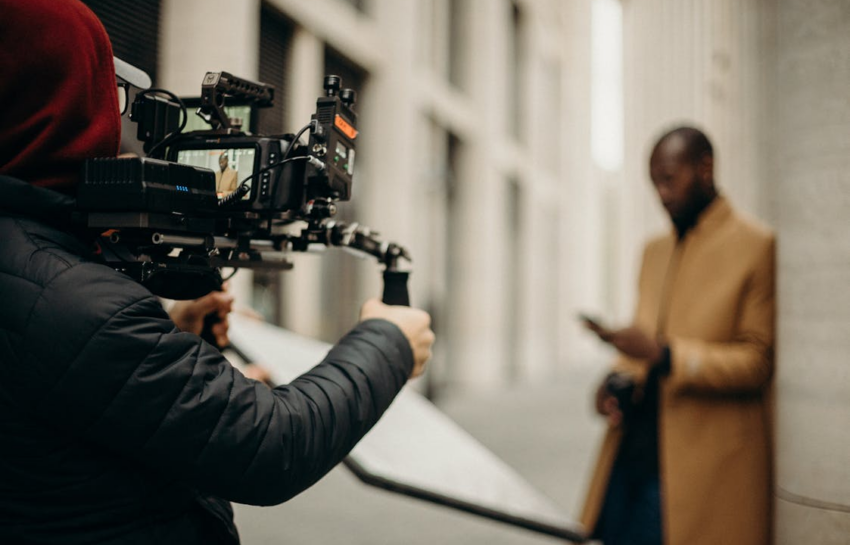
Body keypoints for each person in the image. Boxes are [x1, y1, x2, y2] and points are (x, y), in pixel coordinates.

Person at [0, 2, 435, 544]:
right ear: (63, 100)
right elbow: (273, 444)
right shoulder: (72, 301)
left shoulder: (46, 278)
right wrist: (388, 341)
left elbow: (68, 393)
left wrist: (168, 338)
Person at [580, 126, 775, 544]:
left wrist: (667, 355)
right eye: (655, 183)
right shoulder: (653, 250)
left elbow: (758, 362)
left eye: (670, 179)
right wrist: (614, 382)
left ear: (705, 168)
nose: (662, 194)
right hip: (629, 453)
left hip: (697, 469)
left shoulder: (756, 245)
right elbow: (642, 345)